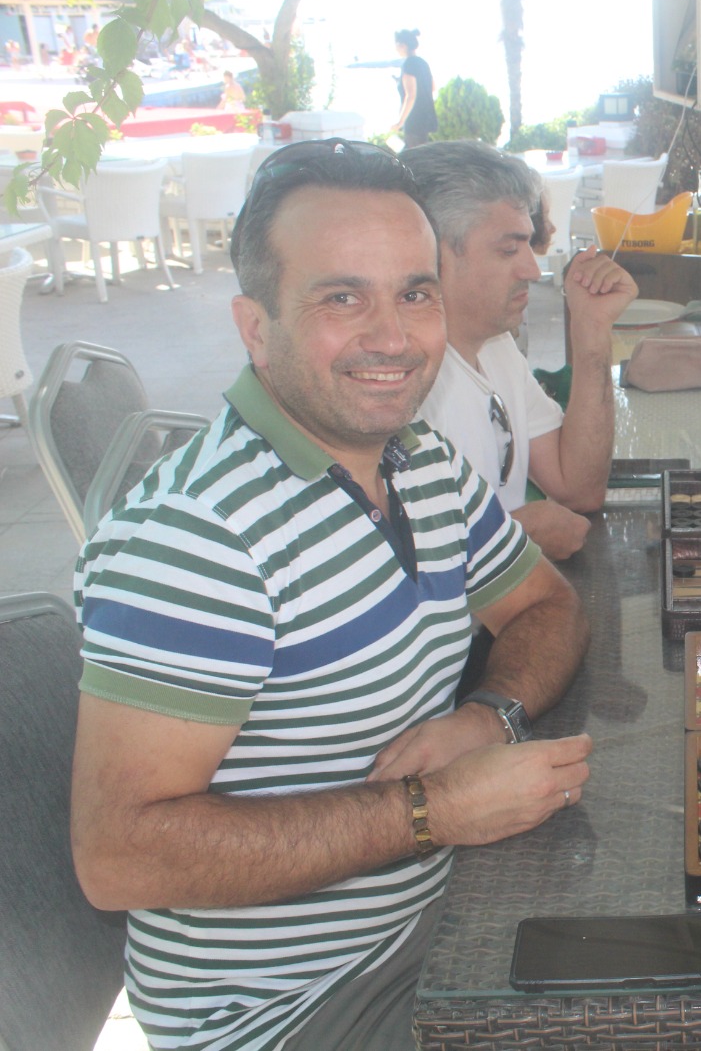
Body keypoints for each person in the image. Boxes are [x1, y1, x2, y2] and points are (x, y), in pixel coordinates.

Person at [71, 138, 593, 1050]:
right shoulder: (197, 536)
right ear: (254, 325)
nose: (392, 338)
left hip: (438, 916)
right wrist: (432, 810)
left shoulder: (419, 461)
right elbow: (120, 855)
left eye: (415, 294)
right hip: (291, 1011)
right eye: (341, 298)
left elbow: (547, 606)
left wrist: (488, 718)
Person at [406, 139, 637, 561]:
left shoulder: (497, 347)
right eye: (509, 250)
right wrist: (513, 536)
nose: (532, 270)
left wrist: (591, 330)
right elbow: (398, 568)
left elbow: (578, 488)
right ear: (430, 256)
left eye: (529, 247)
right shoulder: (402, 387)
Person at [392, 28, 436, 149]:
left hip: (414, 120)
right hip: (425, 118)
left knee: (414, 155)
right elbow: (432, 87)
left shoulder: (408, 64)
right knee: (422, 152)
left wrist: (400, 122)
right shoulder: (423, 63)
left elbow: (410, 96)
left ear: (403, 45)